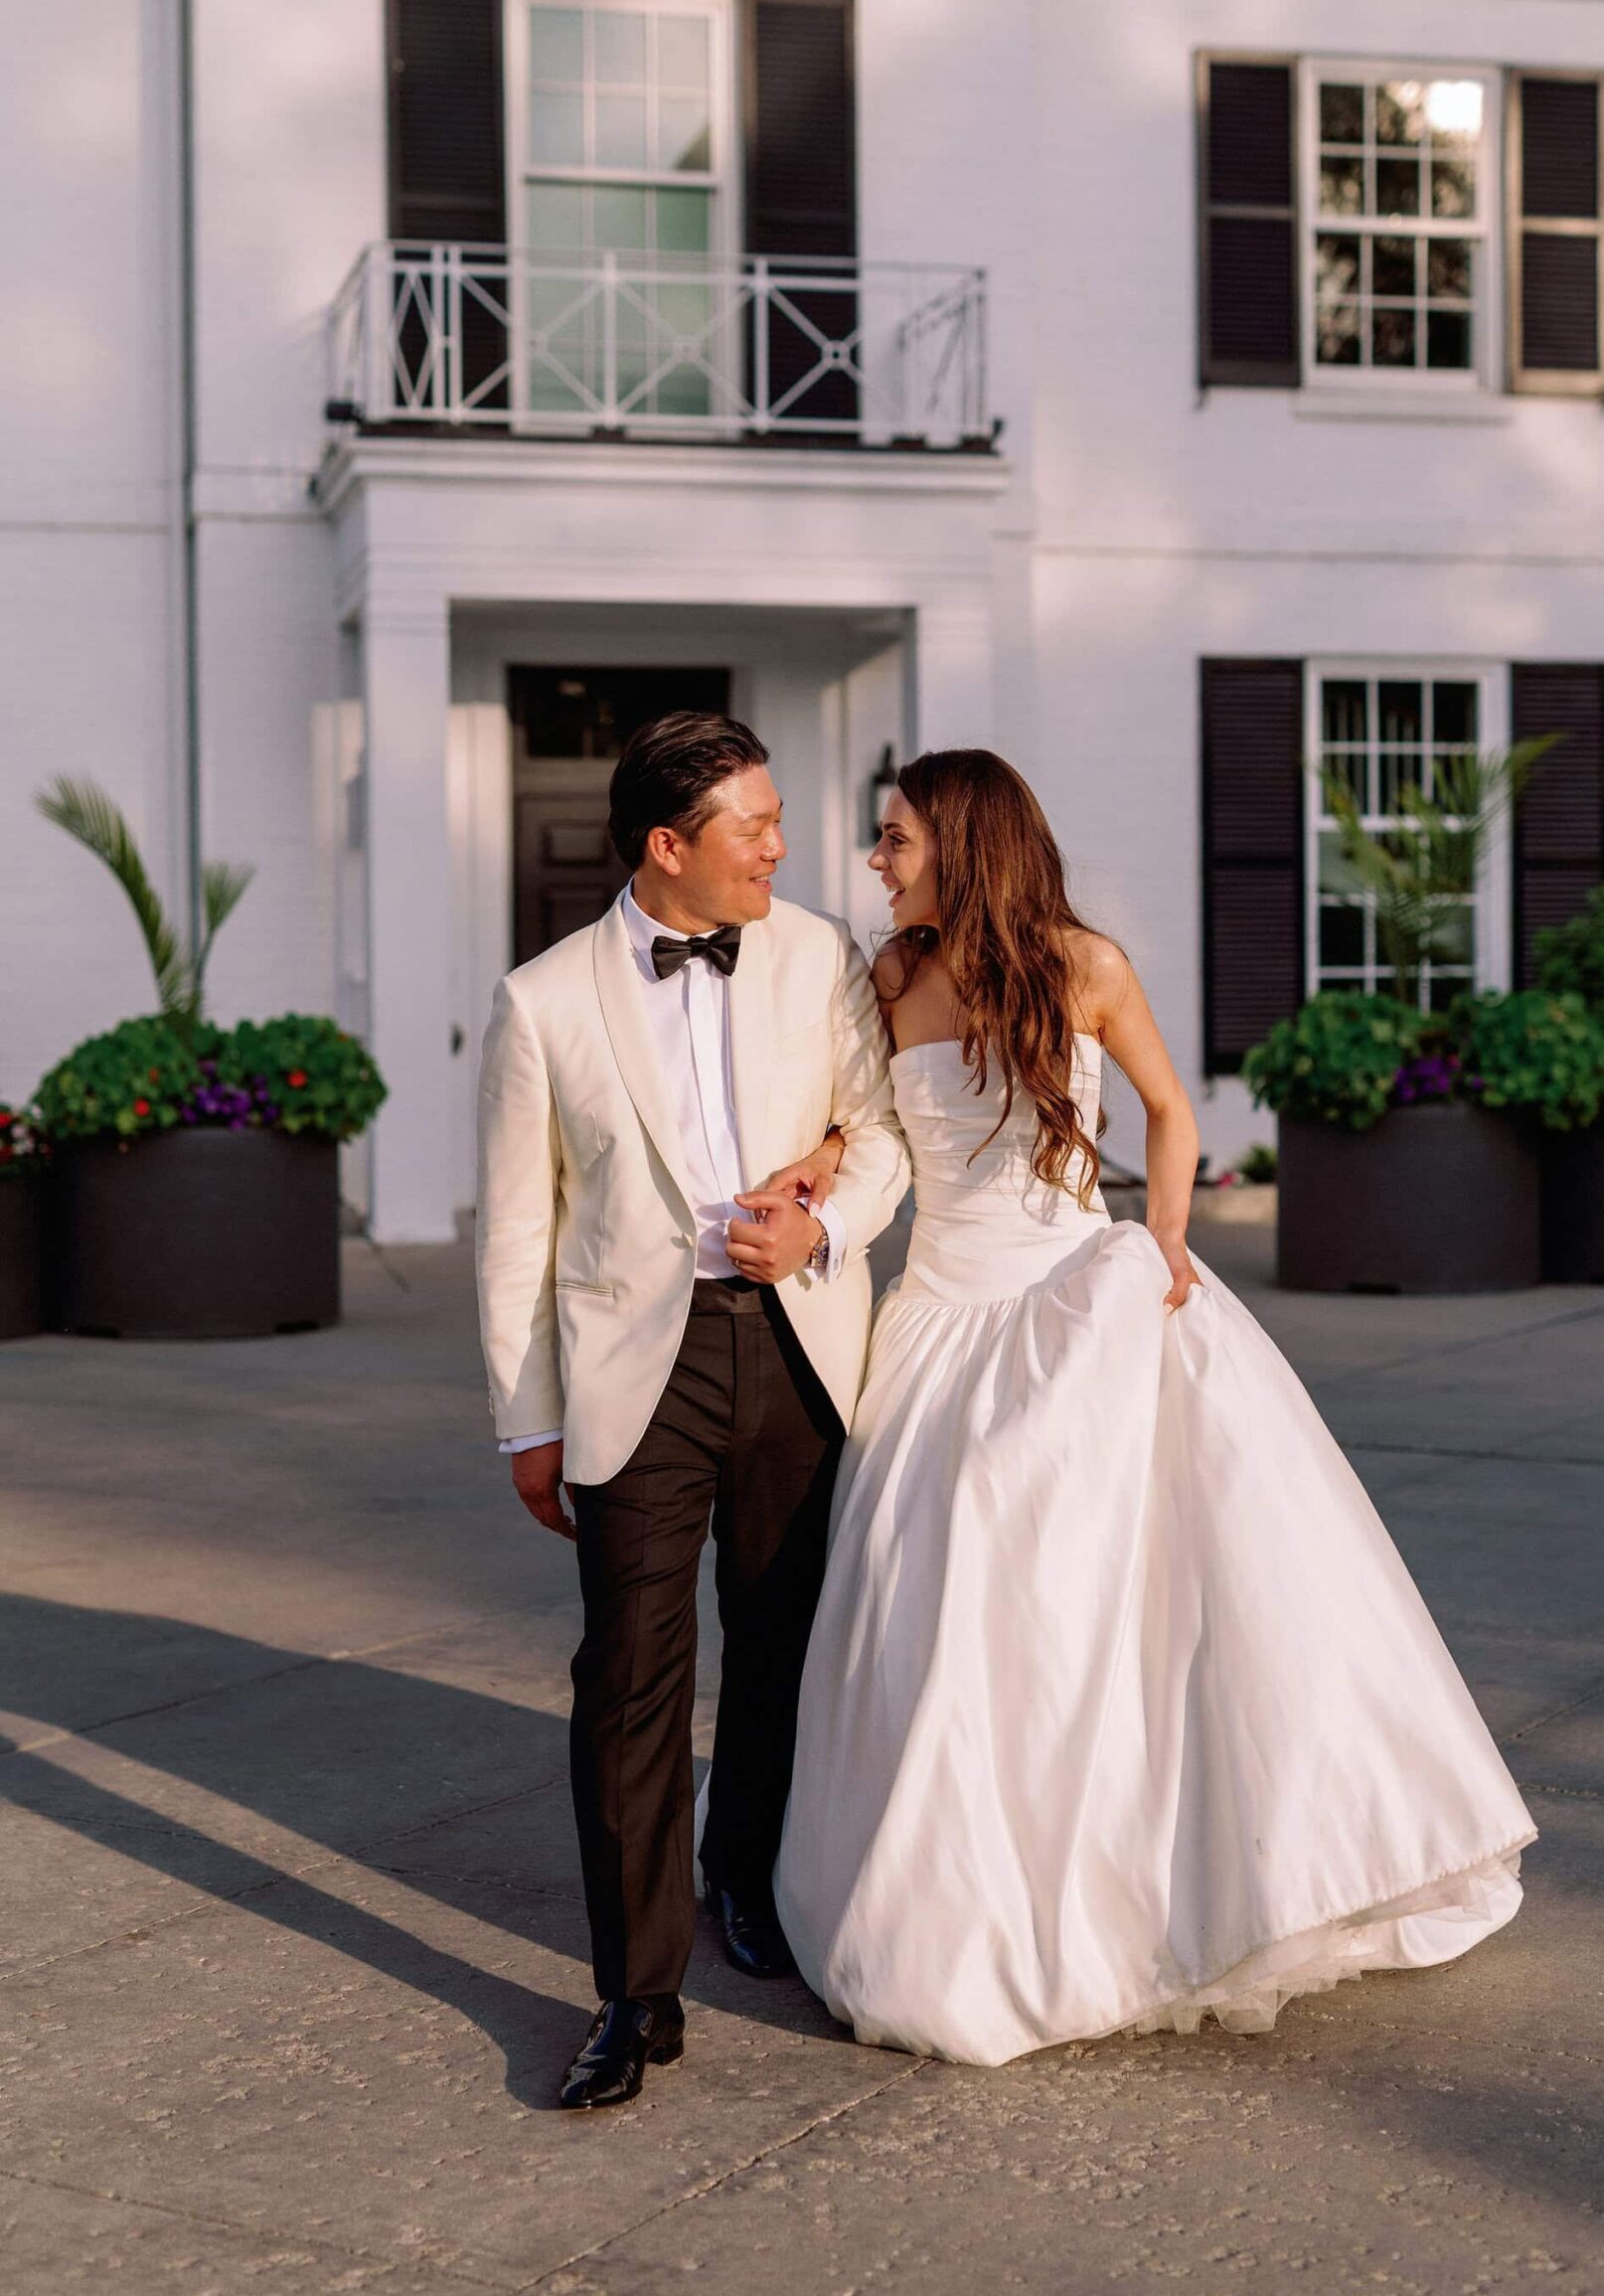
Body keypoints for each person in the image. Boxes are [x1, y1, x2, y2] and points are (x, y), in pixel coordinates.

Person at [768, 747, 1536, 2066]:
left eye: (894, 838)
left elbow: (1173, 1113)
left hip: (1082, 1295)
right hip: (942, 1317)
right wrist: (823, 1166)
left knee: (1111, 1597)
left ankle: (1161, 1874)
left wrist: (1167, 1236)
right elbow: (872, 1124)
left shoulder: (1090, 966)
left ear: (961, 842)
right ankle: (961, 1888)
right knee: (943, 1603)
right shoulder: (886, 975)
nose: (877, 862)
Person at [474, 712, 909, 2109]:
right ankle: (633, 1990)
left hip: (797, 1347)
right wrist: (525, 1421)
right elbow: (515, 1233)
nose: (783, 845)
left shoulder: (821, 954)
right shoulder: (542, 999)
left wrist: (826, 1228)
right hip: (631, 1378)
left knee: (781, 1643)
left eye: (780, 818)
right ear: (671, 846)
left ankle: (749, 1877)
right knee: (632, 1678)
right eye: (754, 825)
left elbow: (886, 1133)